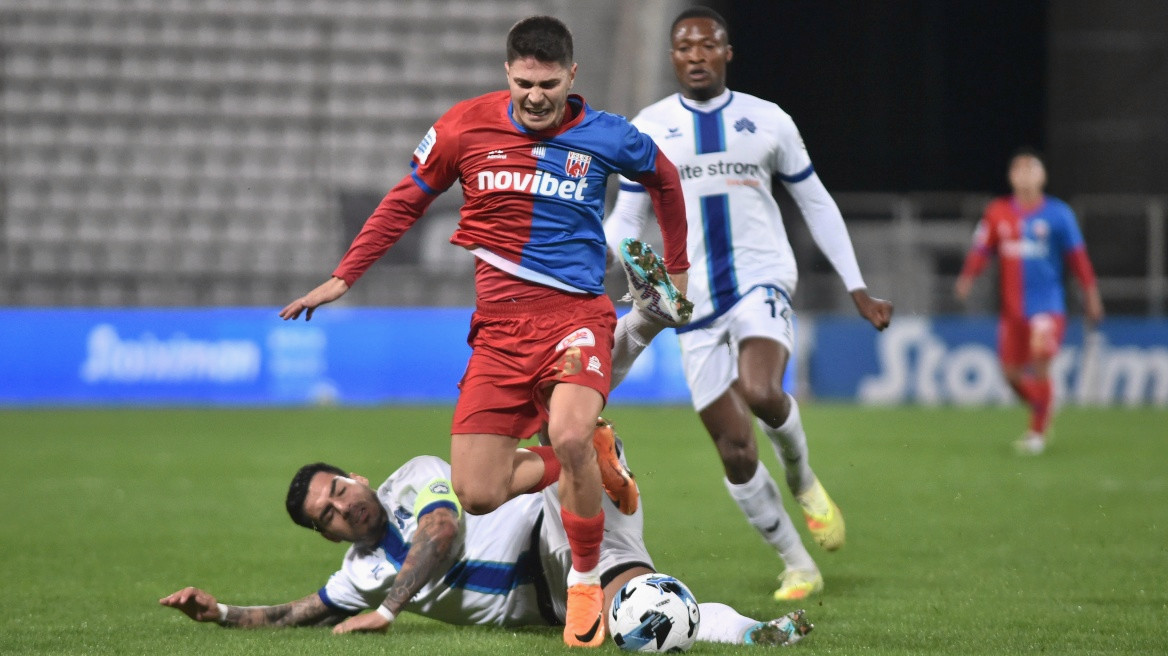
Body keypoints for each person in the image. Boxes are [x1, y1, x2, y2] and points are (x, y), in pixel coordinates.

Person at [277, 16, 689, 647]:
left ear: (571, 75)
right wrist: (344, 276)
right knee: (476, 493)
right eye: (525, 83)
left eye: (548, 84)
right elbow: (405, 201)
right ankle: (590, 456)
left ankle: (584, 582)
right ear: (507, 73)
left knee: (569, 431)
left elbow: (664, 177)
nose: (536, 97)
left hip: (575, 316)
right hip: (498, 333)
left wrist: (678, 270)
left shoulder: (606, 134)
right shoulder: (463, 127)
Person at [603, 7, 893, 602]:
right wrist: (620, 267)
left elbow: (816, 201)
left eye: (708, 45)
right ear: (672, 56)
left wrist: (856, 285)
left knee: (760, 390)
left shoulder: (768, 120)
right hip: (690, 304)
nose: (697, 55)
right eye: (685, 46)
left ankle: (803, 480)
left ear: (727, 53)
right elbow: (626, 219)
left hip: (762, 280)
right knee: (735, 452)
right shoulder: (649, 128)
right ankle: (798, 564)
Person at [159, 441, 813, 647]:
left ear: (356, 477)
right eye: (326, 515)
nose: (341, 506)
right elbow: (297, 613)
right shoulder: (358, 572)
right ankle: (758, 633)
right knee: (637, 616)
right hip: (556, 599)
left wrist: (389, 610)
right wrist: (221, 613)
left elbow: (441, 532)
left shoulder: (413, 479)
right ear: (327, 534)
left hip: (548, 529)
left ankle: (588, 461)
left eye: (337, 489)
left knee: (560, 451)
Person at [955, 148, 1103, 455]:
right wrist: (967, 277)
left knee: (1040, 356)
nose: (1025, 175)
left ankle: (1036, 433)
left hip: (1047, 305)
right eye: (1019, 169)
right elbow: (981, 249)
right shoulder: (997, 212)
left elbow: (1078, 259)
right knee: (1010, 375)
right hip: (1012, 311)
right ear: (1010, 177)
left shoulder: (1059, 214)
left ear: (1042, 176)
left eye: (1031, 169)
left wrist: (1091, 295)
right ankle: (1043, 403)